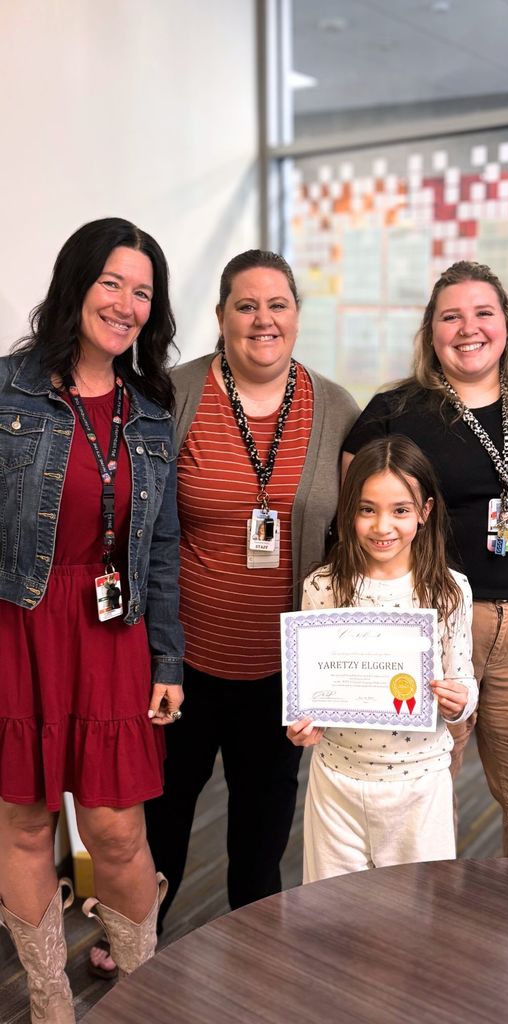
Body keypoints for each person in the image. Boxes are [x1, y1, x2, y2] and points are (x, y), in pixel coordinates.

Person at [135, 249, 358, 949]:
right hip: (184, 663)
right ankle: (142, 932)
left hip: (283, 672)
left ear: (296, 314)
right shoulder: (172, 395)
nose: (263, 319)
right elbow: (140, 524)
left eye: (278, 305)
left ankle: (254, 951)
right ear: (222, 316)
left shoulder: (338, 408)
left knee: (263, 830)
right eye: (246, 305)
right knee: (164, 817)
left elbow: (357, 538)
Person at [343, 261, 508, 861]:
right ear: (430, 331)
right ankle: (425, 936)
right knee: (418, 798)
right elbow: (354, 530)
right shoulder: (393, 411)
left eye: (483, 313)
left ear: (506, 324)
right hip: (429, 631)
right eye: (450, 316)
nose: (468, 328)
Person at [0, 217, 184, 1021]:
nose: (126, 303)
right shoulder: (7, 391)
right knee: (25, 823)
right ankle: (50, 1003)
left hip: (115, 634)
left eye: (142, 292)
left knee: (116, 834)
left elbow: (165, 545)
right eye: (112, 282)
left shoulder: (149, 409)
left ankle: (138, 1000)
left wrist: (169, 661)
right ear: (75, 284)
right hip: (20, 626)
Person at [287, 436, 478, 881]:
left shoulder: (449, 592)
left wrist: (459, 701)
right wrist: (301, 724)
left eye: (401, 510)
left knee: (416, 919)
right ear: (348, 509)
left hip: (420, 783)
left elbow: (464, 680)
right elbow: (309, 695)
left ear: (425, 512)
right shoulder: (322, 587)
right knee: (334, 915)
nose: (382, 526)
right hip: (337, 779)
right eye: (367, 509)